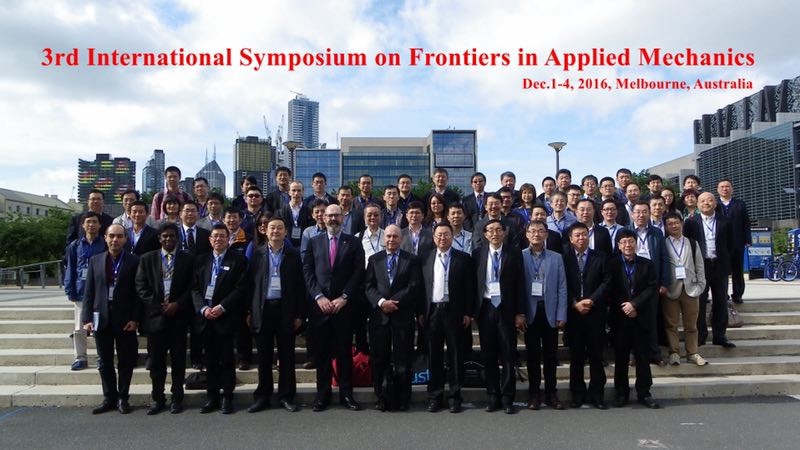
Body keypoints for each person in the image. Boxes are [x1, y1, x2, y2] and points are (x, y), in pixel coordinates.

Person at [303, 204, 366, 412]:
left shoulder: (353, 242)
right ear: (323, 218)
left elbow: (358, 271)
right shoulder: (314, 242)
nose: (333, 219)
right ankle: (322, 395)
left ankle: (346, 394)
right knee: (321, 354)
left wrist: (345, 297)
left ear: (343, 218)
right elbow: (308, 271)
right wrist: (318, 296)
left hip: (344, 307)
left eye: (336, 215)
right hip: (319, 308)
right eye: (329, 215)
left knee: (344, 353)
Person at [246, 217, 306, 413]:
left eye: (279, 228)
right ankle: (262, 396)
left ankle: (286, 396)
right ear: (265, 231)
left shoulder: (293, 255)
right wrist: (249, 311)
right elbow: (250, 285)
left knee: (287, 356)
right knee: (264, 356)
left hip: (285, 309)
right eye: (272, 228)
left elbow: (300, 286)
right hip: (263, 309)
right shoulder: (257, 254)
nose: (275, 231)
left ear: (285, 232)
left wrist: (299, 314)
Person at [135, 222, 194, 415]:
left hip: (178, 317)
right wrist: (157, 305)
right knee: (157, 363)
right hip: (155, 318)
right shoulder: (147, 259)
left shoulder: (187, 259)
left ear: (178, 238)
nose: (168, 239)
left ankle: (177, 398)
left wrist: (178, 304)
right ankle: (157, 398)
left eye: (172, 236)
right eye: (165, 236)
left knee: (178, 362)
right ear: (159, 238)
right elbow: (141, 285)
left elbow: (192, 286)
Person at [82, 224, 141, 414]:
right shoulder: (95, 260)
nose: (115, 240)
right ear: (105, 238)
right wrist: (86, 318)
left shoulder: (134, 261)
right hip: (101, 318)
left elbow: (138, 293)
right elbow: (89, 292)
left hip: (125, 320)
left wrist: (135, 319)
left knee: (125, 361)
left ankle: (123, 397)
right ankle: (109, 397)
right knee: (104, 361)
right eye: (112, 236)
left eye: (119, 236)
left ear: (125, 239)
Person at [364, 224, 423, 412]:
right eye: (388, 236)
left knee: (403, 360)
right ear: (384, 238)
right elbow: (368, 286)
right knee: (379, 359)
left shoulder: (411, 260)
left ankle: (403, 398)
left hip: (402, 315)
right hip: (379, 317)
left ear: (401, 239)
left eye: (395, 236)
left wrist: (393, 302)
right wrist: (382, 302)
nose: (391, 239)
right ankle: (381, 397)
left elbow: (414, 286)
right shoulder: (374, 259)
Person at [192, 224, 249, 414]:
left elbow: (241, 288)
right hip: (206, 317)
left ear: (228, 239)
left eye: (222, 236)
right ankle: (212, 396)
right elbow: (194, 288)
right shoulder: (201, 260)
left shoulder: (238, 260)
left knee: (227, 360)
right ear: (210, 239)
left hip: (226, 317)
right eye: (215, 236)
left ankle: (227, 397)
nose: (218, 239)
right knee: (210, 360)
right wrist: (203, 309)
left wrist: (222, 307)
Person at [421, 223, 476, 413]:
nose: (442, 238)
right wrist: (420, 312)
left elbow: (470, 288)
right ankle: (435, 396)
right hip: (432, 311)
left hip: (455, 311)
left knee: (455, 355)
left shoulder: (464, 258)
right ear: (433, 237)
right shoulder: (425, 258)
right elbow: (421, 287)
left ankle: (455, 397)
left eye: (446, 234)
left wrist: (468, 312)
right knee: (433, 356)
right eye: (439, 235)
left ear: (452, 237)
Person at [473, 219, 526, 414]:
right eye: (490, 230)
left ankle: (507, 397)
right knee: (489, 355)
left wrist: (520, 312)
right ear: (485, 234)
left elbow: (520, 283)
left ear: (504, 233)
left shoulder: (514, 253)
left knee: (508, 354)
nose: (494, 233)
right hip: (486, 308)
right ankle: (493, 395)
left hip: (507, 308)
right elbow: (473, 284)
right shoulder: (477, 254)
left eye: (498, 230)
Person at [608, 229, 660, 409]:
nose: (628, 245)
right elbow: (610, 288)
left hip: (640, 317)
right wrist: (625, 306)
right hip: (620, 318)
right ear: (618, 245)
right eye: (623, 242)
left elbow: (652, 288)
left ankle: (644, 393)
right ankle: (621, 393)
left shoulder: (647, 264)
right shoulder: (612, 265)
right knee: (621, 358)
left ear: (636, 244)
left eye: (631, 241)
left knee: (643, 358)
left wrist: (635, 305)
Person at [519, 220, 567, 410]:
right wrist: (519, 313)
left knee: (550, 355)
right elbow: (515, 287)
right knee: (532, 356)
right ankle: (534, 394)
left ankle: (551, 393)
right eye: (532, 231)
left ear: (547, 234)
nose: (536, 234)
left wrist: (561, 313)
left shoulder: (556, 257)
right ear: (527, 234)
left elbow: (562, 287)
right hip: (529, 312)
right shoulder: (519, 256)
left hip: (550, 312)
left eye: (540, 231)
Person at [563, 222, 611, 409]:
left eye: (584, 234)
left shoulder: (601, 257)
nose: (581, 238)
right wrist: (574, 303)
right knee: (576, 357)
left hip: (595, 313)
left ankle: (597, 394)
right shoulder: (564, 258)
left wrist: (592, 300)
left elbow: (607, 282)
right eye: (577, 235)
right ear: (571, 238)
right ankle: (577, 394)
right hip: (574, 314)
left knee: (596, 356)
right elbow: (562, 284)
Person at [684, 192, 736, 348]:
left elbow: (731, 244)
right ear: (697, 204)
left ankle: (720, 335)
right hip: (700, 266)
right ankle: (701, 335)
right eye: (702, 201)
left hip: (720, 265)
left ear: (715, 203)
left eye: (710, 200)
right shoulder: (691, 222)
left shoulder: (725, 221)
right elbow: (687, 244)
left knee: (720, 300)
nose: (706, 203)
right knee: (700, 301)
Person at [628, 201, 672, 364]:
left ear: (649, 213)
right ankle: (633, 353)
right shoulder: (626, 231)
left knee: (652, 319)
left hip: (652, 282)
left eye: (644, 212)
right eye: (638, 212)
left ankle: (654, 353)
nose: (641, 215)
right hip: (631, 281)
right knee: (632, 320)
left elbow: (664, 258)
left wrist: (664, 282)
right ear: (632, 214)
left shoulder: (656, 233)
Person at [663, 212, 708, 366]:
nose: (674, 226)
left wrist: (700, 286)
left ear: (681, 223)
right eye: (670, 224)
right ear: (666, 227)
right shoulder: (663, 244)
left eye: (676, 223)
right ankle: (674, 352)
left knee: (691, 325)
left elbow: (699, 266)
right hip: (671, 290)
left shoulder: (692, 243)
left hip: (690, 288)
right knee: (671, 324)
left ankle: (693, 353)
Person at [64, 212, 107, 371]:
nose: (91, 225)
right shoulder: (75, 246)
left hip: (100, 291)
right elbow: (71, 268)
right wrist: (70, 289)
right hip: (81, 291)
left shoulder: (105, 243)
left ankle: (102, 356)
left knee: (100, 327)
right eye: (88, 222)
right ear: (82, 225)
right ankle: (80, 357)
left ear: (100, 225)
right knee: (79, 328)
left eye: (94, 222)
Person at [716, 179, 751, 304]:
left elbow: (746, 223)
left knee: (737, 270)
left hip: (737, 242)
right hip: (721, 243)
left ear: (732, 189)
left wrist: (748, 239)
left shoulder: (740, 204)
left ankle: (737, 294)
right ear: (718, 190)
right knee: (722, 271)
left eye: (727, 186)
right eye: (722, 187)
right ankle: (723, 294)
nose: (725, 189)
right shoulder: (714, 204)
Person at [276, 181, 314, 248]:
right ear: (289, 192)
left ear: (303, 192)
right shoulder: (281, 211)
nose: (296, 193)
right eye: (293, 190)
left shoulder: (309, 211)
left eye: (299, 190)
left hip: (305, 245)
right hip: (285, 245)